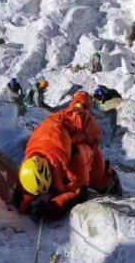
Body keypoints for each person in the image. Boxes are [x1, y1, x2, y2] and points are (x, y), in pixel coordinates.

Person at [17, 91, 121, 221]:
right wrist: (26, 203)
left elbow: (78, 192)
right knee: (76, 108)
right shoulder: (32, 160)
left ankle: (112, 180)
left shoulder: (75, 158)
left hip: (86, 134)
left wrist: (54, 207)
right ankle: (80, 98)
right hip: (59, 130)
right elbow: (27, 182)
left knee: (101, 181)